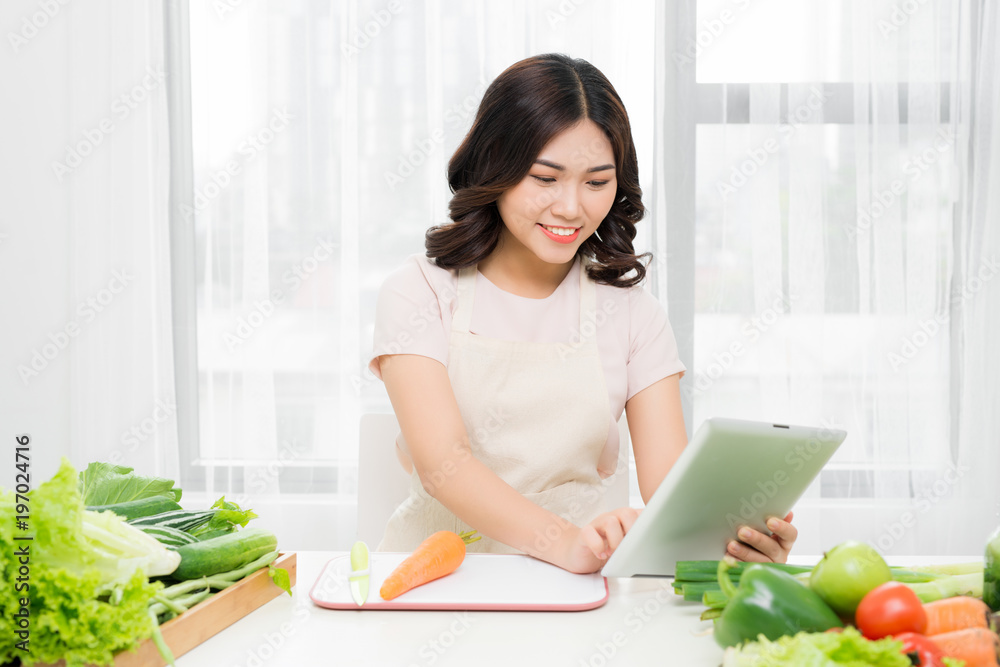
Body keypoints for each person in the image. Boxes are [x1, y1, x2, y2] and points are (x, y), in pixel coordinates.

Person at [367, 53, 797, 574]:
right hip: (433, 583)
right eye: (545, 178)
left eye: (596, 182)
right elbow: (446, 464)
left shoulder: (634, 315)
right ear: (495, 168)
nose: (571, 208)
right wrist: (565, 542)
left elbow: (669, 491)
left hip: (583, 589)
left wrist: (736, 540)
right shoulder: (420, 292)